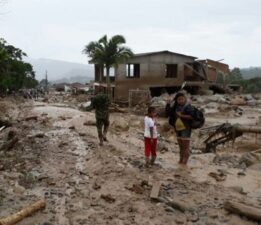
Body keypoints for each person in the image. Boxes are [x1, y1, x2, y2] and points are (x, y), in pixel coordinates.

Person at [166, 92, 193, 165]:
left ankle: (185, 163)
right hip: (178, 128)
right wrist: (168, 103)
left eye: (182, 99)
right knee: (180, 146)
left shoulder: (188, 107)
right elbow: (168, 113)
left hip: (186, 128)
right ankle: (181, 160)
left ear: (185, 99)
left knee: (185, 146)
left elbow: (192, 116)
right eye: (179, 99)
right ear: (176, 100)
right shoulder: (176, 107)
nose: (180, 101)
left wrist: (181, 115)